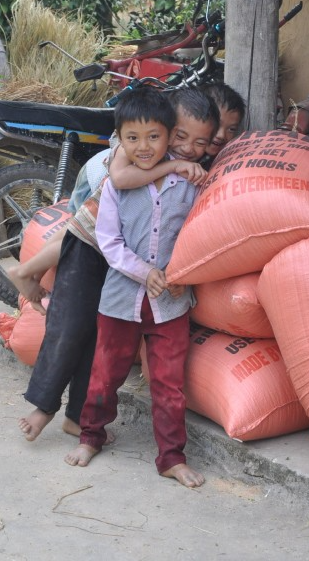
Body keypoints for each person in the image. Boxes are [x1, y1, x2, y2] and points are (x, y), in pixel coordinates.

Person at [13, 88, 220, 444]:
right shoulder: (137, 148)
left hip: (127, 262)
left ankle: (78, 418)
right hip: (90, 243)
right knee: (70, 324)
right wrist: (171, 163)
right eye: (179, 136)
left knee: (101, 338)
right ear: (168, 127)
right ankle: (44, 406)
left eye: (199, 141)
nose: (186, 147)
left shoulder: (187, 171)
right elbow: (121, 181)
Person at [64, 86, 205, 488]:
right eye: (132, 138)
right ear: (120, 141)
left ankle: (171, 458)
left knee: (169, 383)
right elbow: (109, 242)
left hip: (172, 303)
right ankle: (91, 436)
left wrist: (183, 274)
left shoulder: (189, 183)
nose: (144, 147)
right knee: (106, 374)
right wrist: (144, 271)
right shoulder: (115, 185)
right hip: (121, 300)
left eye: (154, 137)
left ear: (170, 134)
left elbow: (200, 236)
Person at [199, 81, 246, 168]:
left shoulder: (223, 163)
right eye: (216, 124)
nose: (221, 135)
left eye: (231, 129)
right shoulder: (178, 154)